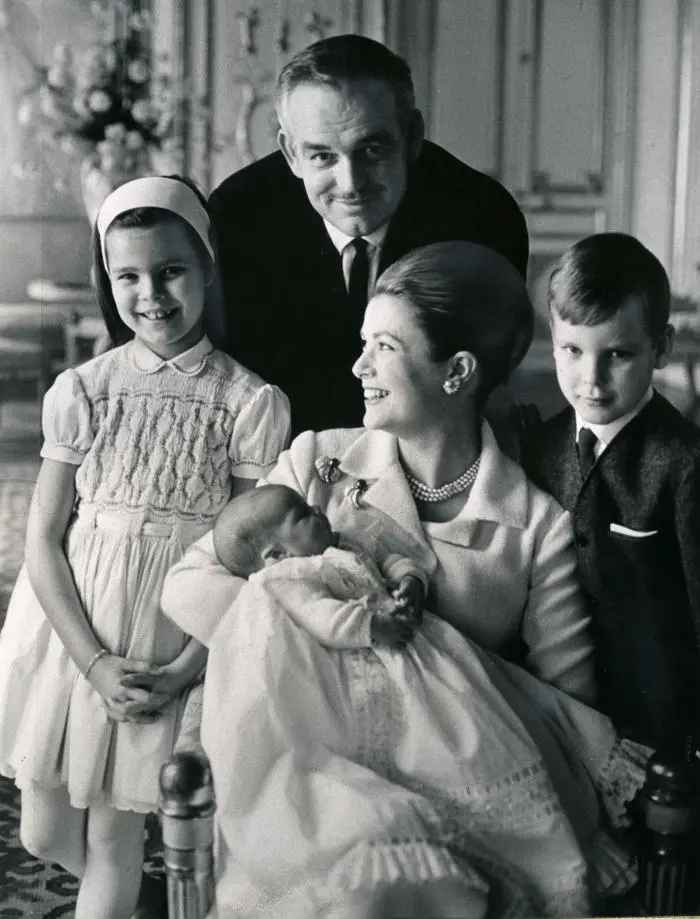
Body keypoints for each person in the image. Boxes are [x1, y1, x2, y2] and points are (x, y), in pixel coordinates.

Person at [160, 242, 649, 916]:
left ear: (458, 372)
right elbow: (188, 583)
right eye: (364, 343)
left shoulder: (534, 525)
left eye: (384, 347)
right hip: (319, 783)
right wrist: (320, 633)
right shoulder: (317, 461)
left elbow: (560, 697)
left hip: (460, 795)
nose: (358, 365)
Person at [0, 176, 290, 919]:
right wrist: (92, 661)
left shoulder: (247, 401)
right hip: (77, 628)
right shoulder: (83, 389)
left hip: (171, 633)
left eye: (170, 271)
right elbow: (42, 536)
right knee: (42, 831)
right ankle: (146, 901)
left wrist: (188, 668)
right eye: (127, 276)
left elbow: (246, 555)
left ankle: (121, 891)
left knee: (112, 837)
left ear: (207, 268)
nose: (151, 294)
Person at [209, 33, 529, 434]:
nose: (351, 184)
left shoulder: (483, 217)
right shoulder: (237, 216)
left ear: (412, 136)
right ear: (291, 153)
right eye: (322, 156)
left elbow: (478, 387)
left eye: (372, 151)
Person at [522, 232, 700, 758]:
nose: (592, 380)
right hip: (558, 715)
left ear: (661, 348)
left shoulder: (686, 463)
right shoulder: (538, 447)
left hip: (660, 731)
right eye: (573, 351)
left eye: (618, 354)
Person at [213, 483, 425, 648]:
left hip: (400, 625)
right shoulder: (293, 578)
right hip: (363, 646)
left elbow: (387, 560)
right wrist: (372, 627)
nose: (316, 508)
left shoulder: (345, 542)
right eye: (302, 515)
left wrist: (409, 578)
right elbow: (318, 614)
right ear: (279, 554)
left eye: (308, 506)